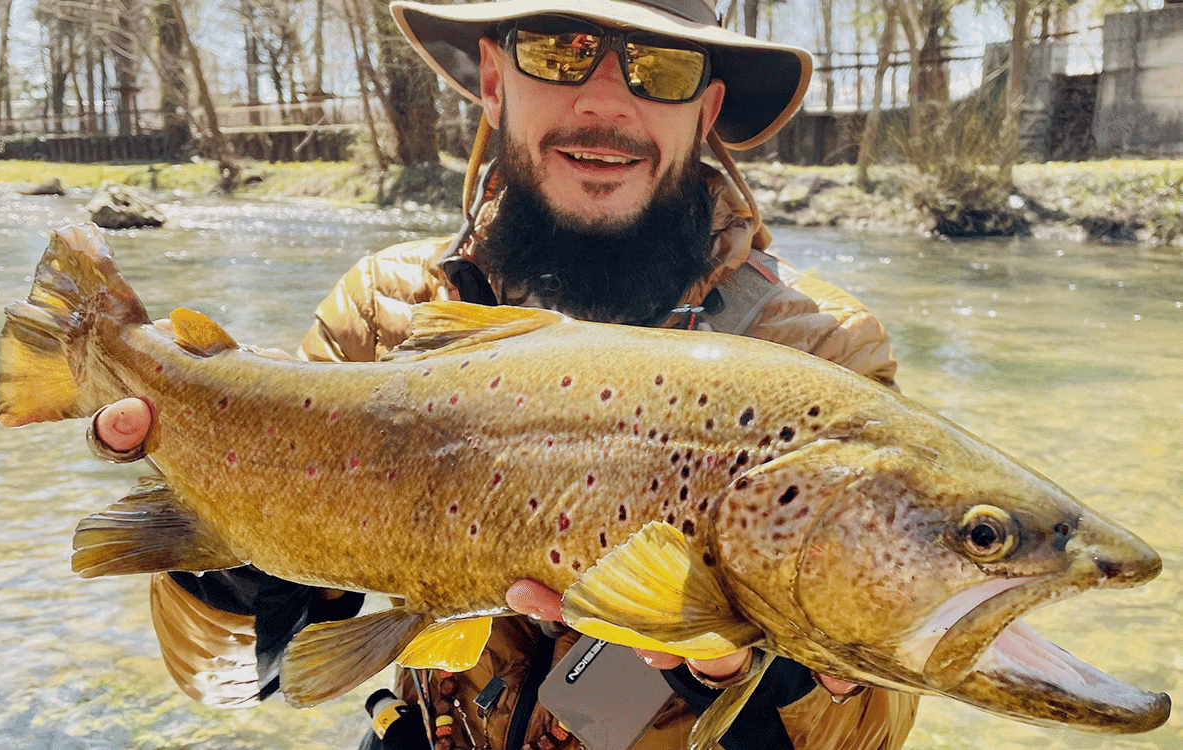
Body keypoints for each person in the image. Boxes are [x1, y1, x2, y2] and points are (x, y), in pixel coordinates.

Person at [89, 0, 920, 748]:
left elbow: (871, 733)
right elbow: (225, 680)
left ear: (704, 112)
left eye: (659, 69)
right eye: (559, 53)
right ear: (493, 79)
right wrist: (236, 526)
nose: (603, 102)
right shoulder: (387, 313)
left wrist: (745, 669)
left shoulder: (817, 354)